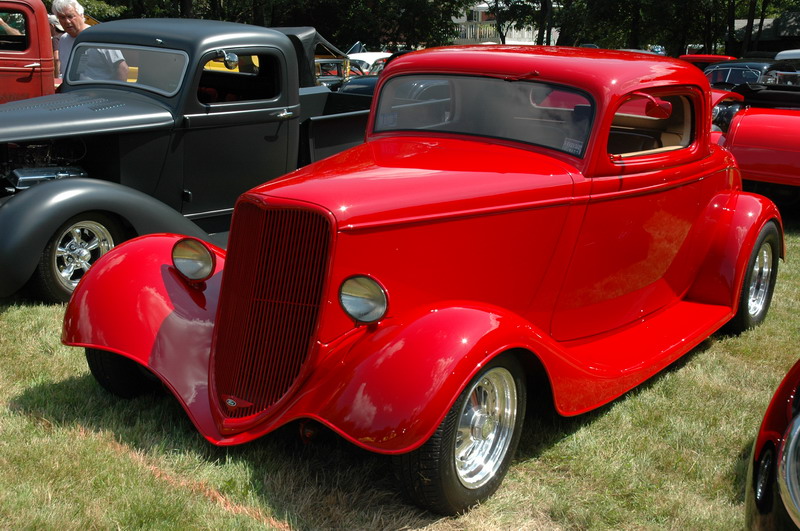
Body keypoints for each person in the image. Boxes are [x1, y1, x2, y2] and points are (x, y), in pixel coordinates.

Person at [51, 0, 128, 81]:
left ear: (81, 15)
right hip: (71, 88)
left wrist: (114, 89)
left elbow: (122, 68)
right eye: (62, 17)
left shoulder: (99, 37)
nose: (67, 21)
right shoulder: (63, 40)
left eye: (70, 16)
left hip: (97, 88)